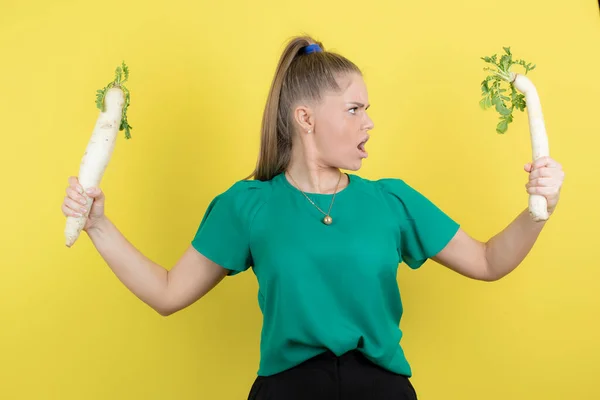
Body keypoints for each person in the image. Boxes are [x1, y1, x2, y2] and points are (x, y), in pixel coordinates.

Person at [61, 35, 565, 399]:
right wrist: (98, 225)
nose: (368, 121)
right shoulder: (247, 205)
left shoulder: (392, 201)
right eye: (353, 109)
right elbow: (168, 293)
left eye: (368, 109)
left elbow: (488, 259)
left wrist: (537, 212)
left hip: (382, 391)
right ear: (306, 119)